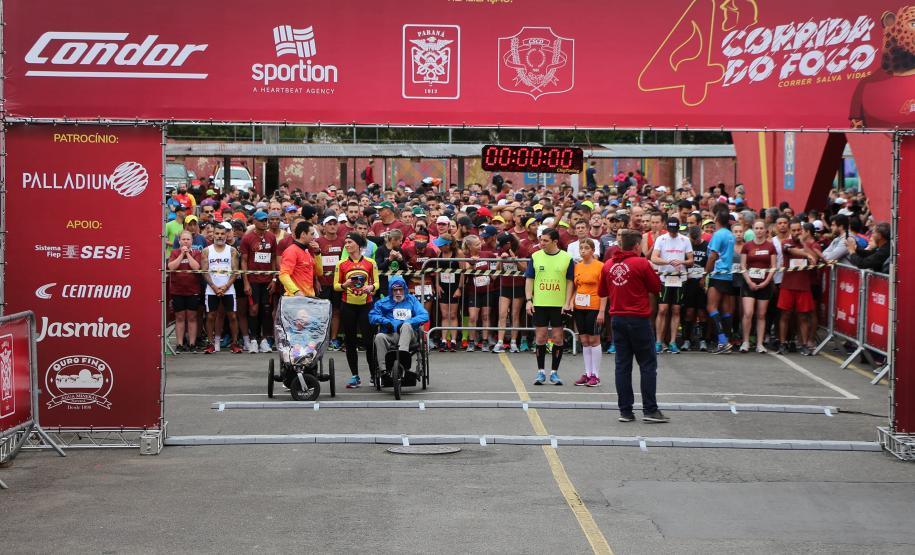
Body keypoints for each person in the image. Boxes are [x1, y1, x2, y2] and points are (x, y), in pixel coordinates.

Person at [598, 229, 668, 423]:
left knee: (622, 365)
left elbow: (602, 290)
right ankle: (650, 409)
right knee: (647, 364)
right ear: (637, 246)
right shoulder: (642, 263)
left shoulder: (608, 265)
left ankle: (625, 411)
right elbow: (655, 287)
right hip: (638, 318)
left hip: (617, 318)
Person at [525, 228, 575, 386]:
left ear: (555, 241)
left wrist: (567, 302)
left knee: (558, 338)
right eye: (541, 240)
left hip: (558, 305)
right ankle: (541, 372)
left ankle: (554, 373)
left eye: (545, 241)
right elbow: (529, 279)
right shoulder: (535, 256)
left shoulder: (567, 258)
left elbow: (570, 282)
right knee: (540, 337)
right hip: (539, 303)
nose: (541, 243)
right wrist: (529, 299)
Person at [334, 233, 380, 388]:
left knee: (369, 342)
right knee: (350, 342)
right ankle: (355, 376)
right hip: (348, 306)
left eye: (350, 242)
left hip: (366, 306)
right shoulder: (341, 264)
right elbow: (336, 286)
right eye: (345, 242)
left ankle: (374, 374)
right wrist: (345, 285)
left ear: (358, 245)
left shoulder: (370, 262)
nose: (347, 245)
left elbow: (377, 284)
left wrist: (371, 287)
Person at [369, 276, 430, 379]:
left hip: (410, 336)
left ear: (404, 289)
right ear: (391, 290)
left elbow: (424, 315)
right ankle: (384, 371)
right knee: (379, 336)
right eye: (395, 290)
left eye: (400, 290)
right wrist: (385, 322)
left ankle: (402, 364)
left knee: (406, 326)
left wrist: (409, 322)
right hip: (392, 335)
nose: (398, 293)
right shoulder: (383, 302)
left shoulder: (412, 300)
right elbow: (372, 316)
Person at [650, 217, 693, 354]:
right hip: (665, 278)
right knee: (662, 309)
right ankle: (658, 341)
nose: (673, 232)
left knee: (675, 309)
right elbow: (654, 258)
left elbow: (691, 260)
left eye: (675, 230)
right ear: (666, 227)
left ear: (678, 228)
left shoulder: (685, 240)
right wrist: (668, 262)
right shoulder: (661, 239)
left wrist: (681, 263)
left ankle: (673, 341)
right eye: (671, 230)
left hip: (680, 278)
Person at [777, 219, 818, 356]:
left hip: (803, 286)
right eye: (793, 230)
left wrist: (803, 244)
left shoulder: (807, 244)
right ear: (789, 231)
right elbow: (793, 251)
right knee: (785, 315)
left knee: (803, 317)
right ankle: (783, 344)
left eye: (798, 230)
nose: (796, 233)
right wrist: (806, 253)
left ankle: (805, 344)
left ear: (802, 230)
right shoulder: (785, 243)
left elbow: (814, 258)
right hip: (788, 285)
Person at [200, 225, 243, 354]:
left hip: (228, 288)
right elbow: (204, 271)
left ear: (226, 235)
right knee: (211, 316)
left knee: (232, 316)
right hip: (211, 288)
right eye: (217, 233)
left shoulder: (232, 251)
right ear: (213, 235)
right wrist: (214, 287)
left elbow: (235, 272)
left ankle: (234, 343)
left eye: (222, 234)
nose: (219, 236)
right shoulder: (207, 251)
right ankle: (210, 343)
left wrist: (226, 286)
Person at [240, 210, 278, 353]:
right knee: (254, 309)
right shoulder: (247, 238)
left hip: (267, 280)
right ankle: (253, 339)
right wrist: (246, 282)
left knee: (266, 310)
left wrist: (274, 279)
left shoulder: (271, 237)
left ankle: (264, 339)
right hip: (253, 279)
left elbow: (274, 258)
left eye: (265, 220)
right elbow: (243, 261)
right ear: (254, 221)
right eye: (261, 220)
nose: (264, 222)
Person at [569, 238, 603, 387]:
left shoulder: (600, 266)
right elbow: (576, 287)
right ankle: (587, 373)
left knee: (594, 340)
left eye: (586, 248)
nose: (583, 250)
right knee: (584, 340)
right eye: (581, 248)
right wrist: (571, 301)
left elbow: (604, 291)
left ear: (592, 250)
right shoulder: (578, 267)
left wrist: (602, 311)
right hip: (580, 306)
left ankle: (596, 374)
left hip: (594, 306)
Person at [739, 220, 777, 353]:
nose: (759, 230)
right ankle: (745, 342)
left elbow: (773, 267)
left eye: (761, 228)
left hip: (764, 284)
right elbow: (742, 266)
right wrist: (749, 281)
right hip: (749, 283)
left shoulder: (771, 246)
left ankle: (760, 343)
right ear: (753, 230)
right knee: (748, 313)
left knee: (761, 314)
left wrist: (766, 282)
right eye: (757, 228)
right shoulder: (747, 246)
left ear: (765, 230)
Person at [705, 211, 736, 354]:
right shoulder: (730, 235)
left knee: (711, 307)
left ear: (717, 219)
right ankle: (726, 341)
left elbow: (712, 256)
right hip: (728, 275)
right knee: (726, 309)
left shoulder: (718, 235)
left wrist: (705, 274)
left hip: (717, 274)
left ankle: (723, 341)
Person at [167, 231, 202, 352]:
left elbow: (196, 267)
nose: (186, 241)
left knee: (192, 317)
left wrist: (188, 255)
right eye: (183, 239)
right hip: (177, 290)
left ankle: (192, 344)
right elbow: (171, 267)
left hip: (193, 290)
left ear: (192, 241)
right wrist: (182, 255)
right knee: (180, 317)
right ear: (179, 241)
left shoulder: (197, 253)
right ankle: (180, 344)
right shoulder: (174, 252)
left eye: (188, 239)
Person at [493, 232, 526, 353]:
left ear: (509, 243)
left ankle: (513, 342)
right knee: (502, 314)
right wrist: (500, 260)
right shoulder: (502, 250)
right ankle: (500, 342)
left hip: (518, 285)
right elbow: (496, 272)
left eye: (503, 245)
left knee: (515, 314)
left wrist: (515, 260)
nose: (501, 248)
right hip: (505, 285)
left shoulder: (521, 249)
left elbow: (526, 269)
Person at [434, 234, 462, 352]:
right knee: (444, 314)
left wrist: (459, 288)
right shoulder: (439, 254)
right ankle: (444, 340)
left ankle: (454, 340)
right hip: (443, 286)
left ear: (448, 245)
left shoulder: (458, 254)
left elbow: (463, 272)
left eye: (441, 245)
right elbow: (436, 271)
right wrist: (437, 284)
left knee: (453, 314)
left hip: (454, 286)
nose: (439, 247)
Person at [278, 220, 321, 298]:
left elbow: (319, 272)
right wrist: (296, 292)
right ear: (303, 234)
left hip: (308, 297)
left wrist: (317, 254)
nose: (314, 237)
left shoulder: (306, 251)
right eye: (312, 234)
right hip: (295, 299)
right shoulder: (291, 251)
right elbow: (283, 275)